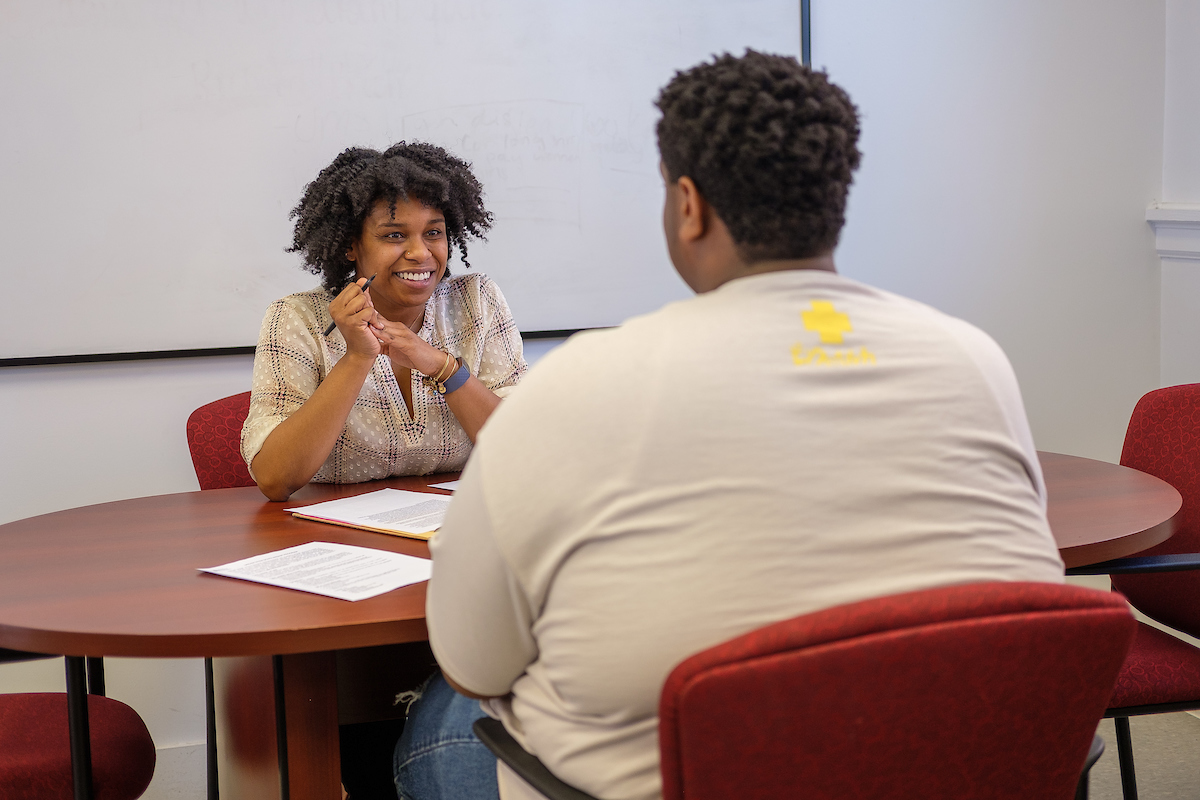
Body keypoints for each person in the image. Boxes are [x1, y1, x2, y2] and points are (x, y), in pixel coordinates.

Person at [401, 51, 1066, 800]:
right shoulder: (970, 358)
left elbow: (475, 662)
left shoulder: (581, 384)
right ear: (835, 197)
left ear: (689, 204)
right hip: (946, 774)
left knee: (443, 717)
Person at [241, 142, 527, 501]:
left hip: (457, 525)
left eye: (434, 233)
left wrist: (442, 367)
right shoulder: (297, 318)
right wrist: (357, 357)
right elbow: (275, 478)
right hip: (335, 536)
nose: (421, 253)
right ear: (350, 245)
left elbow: (525, 452)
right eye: (394, 235)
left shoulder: (476, 302)